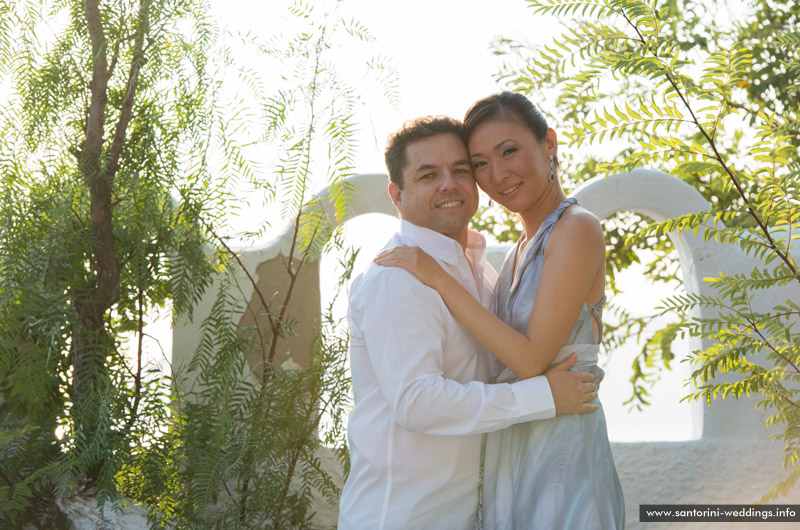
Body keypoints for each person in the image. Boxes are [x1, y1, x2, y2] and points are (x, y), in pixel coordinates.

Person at [375, 92, 625, 529]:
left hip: (559, 448)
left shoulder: (576, 228)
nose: (498, 175)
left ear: (549, 144)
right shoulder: (516, 254)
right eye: (481, 164)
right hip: (517, 444)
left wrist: (438, 279)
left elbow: (529, 360)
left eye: (509, 151)